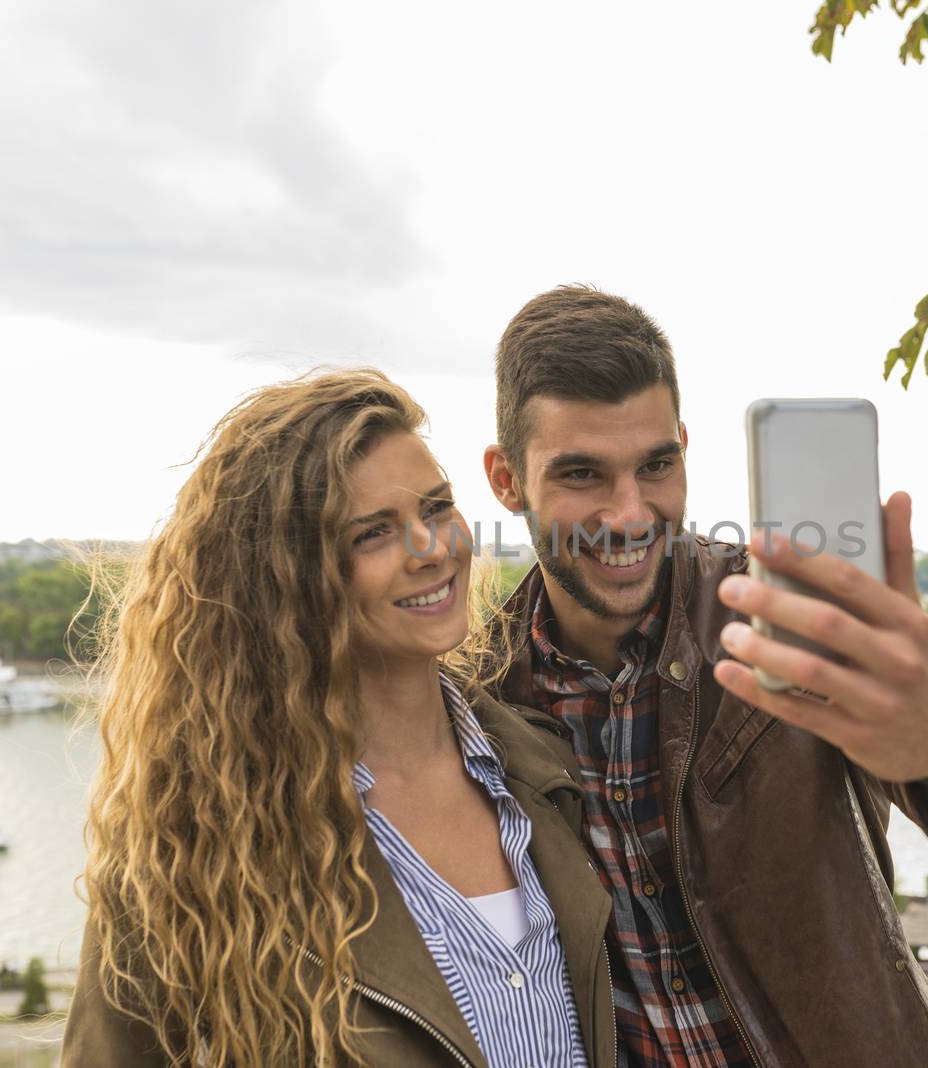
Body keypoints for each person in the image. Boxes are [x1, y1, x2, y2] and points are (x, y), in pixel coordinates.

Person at [481, 287, 928, 1067]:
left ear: (685, 446)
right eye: (581, 474)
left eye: (656, 465)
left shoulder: (784, 616)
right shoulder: (481, 695)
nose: (628, 513)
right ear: (506, 479)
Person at [63, 370, 615, 1067]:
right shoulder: (191, 848)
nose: (433, 549)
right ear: (286, 577)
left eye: (437, 507)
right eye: (373, 534)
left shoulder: (546, 770)